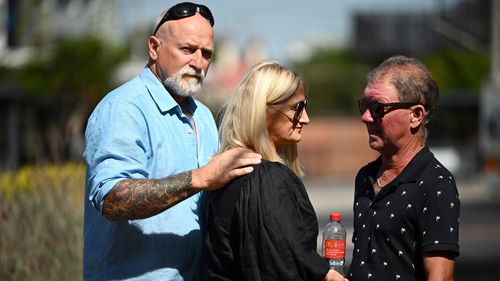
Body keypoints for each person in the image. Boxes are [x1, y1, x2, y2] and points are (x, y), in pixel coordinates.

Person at [83, 2, 261, 280]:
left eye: (206, 54)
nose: (198, 62)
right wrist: (200, 178)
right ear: (154, 47)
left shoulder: (201, 115)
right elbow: (111, 199)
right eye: (187, 49)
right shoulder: (124, 108)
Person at [203, 61, 348, 281]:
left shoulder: (227, 174)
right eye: (297, 108)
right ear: (265, 112)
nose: (306, 119)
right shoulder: (267, 180)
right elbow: (283, 266)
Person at [347, 55, 460, 281]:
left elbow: (440, 277)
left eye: (377, 107)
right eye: (365, 105)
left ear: (416, 115)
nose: (366, 117)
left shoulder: (435, 184)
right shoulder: (365, 177)